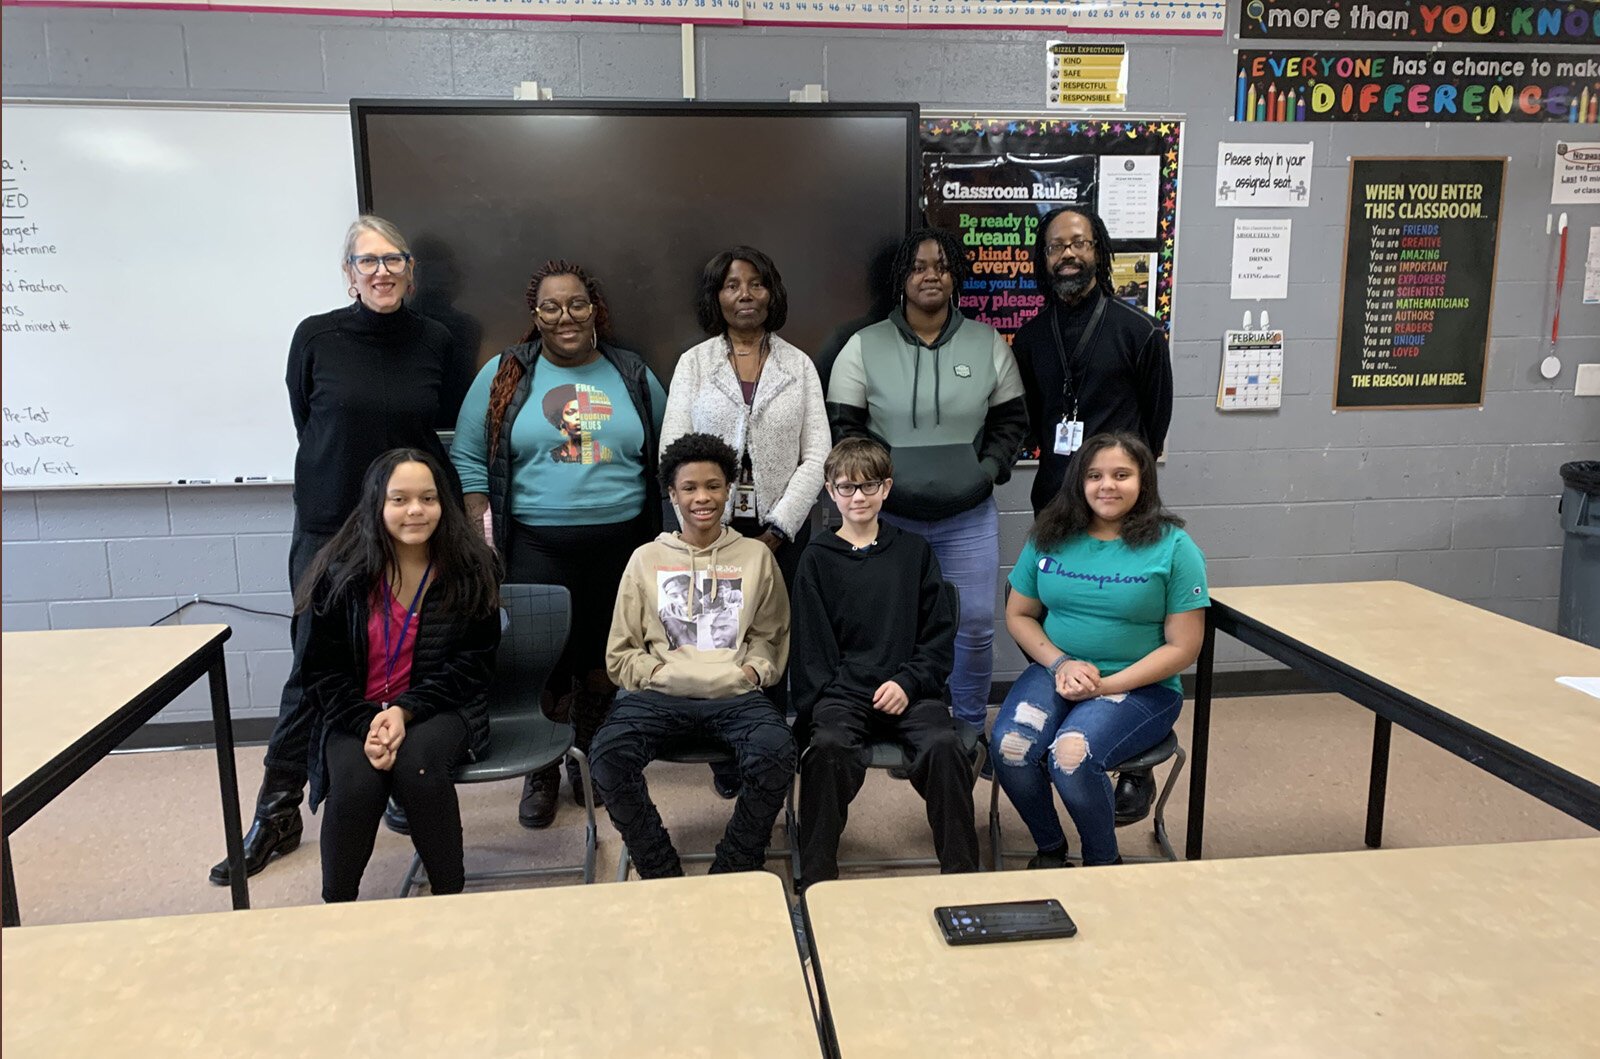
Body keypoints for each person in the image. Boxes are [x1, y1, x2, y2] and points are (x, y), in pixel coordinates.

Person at [208, 216, 465, 886]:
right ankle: (279, 807)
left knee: (415, 649)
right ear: (348, 273)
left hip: (410, 522)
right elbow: (308, 420)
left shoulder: (437, 339)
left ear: (410, 270)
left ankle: (401, 784)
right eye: (367, 261)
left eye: (394, 259)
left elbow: (432, 429)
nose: (382, 272)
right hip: (330, 525)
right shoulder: (315, 336)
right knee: (311, 665)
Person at [451, 260, 667, 829]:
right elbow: (470, 458)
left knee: (603, 657)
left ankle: (592, 756)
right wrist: (481, 535)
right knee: (545, 662)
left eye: (576, 303)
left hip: (623, 543)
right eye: (551, 306)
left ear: (594, 308)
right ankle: (542, 766)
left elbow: (668, 455)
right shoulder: (504, 373)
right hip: (535, 544)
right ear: (535, 314)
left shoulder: (632, 372)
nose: (564, 316)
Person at [826, 227, 1029, 732]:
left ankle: (966, 728)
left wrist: (985, 474)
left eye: (940, 265)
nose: (930, 275)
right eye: (918, 266)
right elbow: (846, 429)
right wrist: (875, 484)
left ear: (955, 274)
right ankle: (908, 724)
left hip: (967, 515)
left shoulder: (988, 344)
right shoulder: (862, 346)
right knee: (891, 628)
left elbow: (1011, 424)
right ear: (900, 277)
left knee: (976, 625)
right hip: (887, 516)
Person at [1010, 205, 1175, 824]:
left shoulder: (1139, 332)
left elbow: (1154, 427)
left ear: (1099, 251)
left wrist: (1126, 481)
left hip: (1123, 506)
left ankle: (1128, 757)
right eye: (1056, 247)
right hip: (1055, 504)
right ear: (1043, 259)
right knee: (1050, 613)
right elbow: (1028, 420)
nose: (1068, 255)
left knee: (1131, 616)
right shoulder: (1029, 337)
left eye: (1079, 243)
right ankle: (1070, 717)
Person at [989, 432, 1207, 869]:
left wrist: (1103, 686)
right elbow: (1020, 615)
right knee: (1012, 747)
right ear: (1080, 482)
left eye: (1121, 475)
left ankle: (1102, 863)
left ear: (1143, 481)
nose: (1107, 485)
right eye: (1095, 475)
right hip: (1057, 670)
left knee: (1071, 756)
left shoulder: (1175, 548)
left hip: (1141, 685)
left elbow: (1185, 647)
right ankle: (1049, 849)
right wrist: (1061, 663)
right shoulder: (1050, 535)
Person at [588, 433, 796, 878]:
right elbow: (621, 654)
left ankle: (735, 867)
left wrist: (751, 672)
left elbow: (771, 637)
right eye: (689, 488)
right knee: (607, 755)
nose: (702, 497)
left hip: (734, 694)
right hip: (661, 694)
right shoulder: (645, 559)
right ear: (672, 494)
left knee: (777, 752)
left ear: (729, 491)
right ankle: (660, 869)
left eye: (714, 486)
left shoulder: (757, 556)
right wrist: (659, 672)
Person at [662, 246, 830, 797]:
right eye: (732, 285)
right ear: (717, 296)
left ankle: (778, 744)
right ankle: (729, 750)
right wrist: (703, 522)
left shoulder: (798, 365)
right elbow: (674, 448)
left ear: (771, 292)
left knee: (781, 636)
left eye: (756, 284)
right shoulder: (695, 363)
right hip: (713, 528)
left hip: (784, 529)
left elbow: (817, 454)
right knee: (720, 637)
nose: (744, 295)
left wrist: (779, 528)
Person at [298, 449, 501, 902]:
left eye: (428, 498)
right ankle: (337, 907)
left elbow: (475, 665)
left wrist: (406, 711)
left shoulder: (471, 569)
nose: (415, 510)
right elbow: (319, 672)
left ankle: (449, 895)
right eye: (400, 499)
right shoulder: (340, 574)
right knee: (355, 782)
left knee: (419, 767)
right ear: (377, 504)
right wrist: (365, 722)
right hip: (357, 712)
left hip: (438, 708)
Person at [793, 438, 980, 887]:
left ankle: (963, 877)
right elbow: (811, 650)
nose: (858, 496)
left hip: (909, 690)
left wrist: (909, 683)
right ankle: (816, 879)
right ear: (830, 491)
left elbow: (937, 638)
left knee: (943, 746)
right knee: (829, 748)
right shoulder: (816, 559)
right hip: (843, 694)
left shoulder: (914, 552)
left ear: (886, 488)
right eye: (846, 487)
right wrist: (842, 695)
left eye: (868, 486)